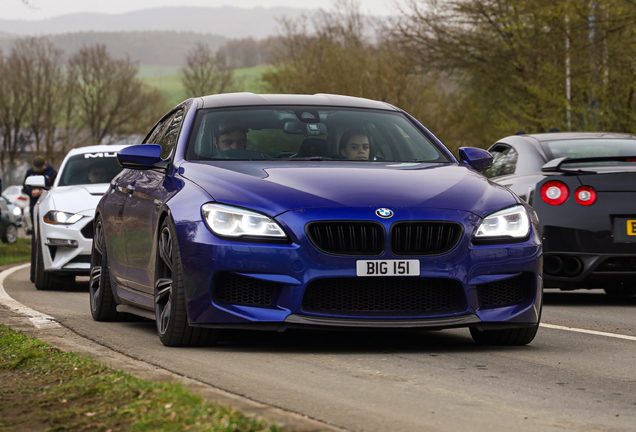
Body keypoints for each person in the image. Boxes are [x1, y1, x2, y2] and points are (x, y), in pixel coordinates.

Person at [22, 155, 57, 226]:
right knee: (35, 226)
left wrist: (45, 191)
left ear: (45, 164)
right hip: (34, 204)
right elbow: (24, 188)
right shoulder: (30, 173)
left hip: (48, 204)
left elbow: (56, 188)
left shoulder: (53, 173)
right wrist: (31, 192)